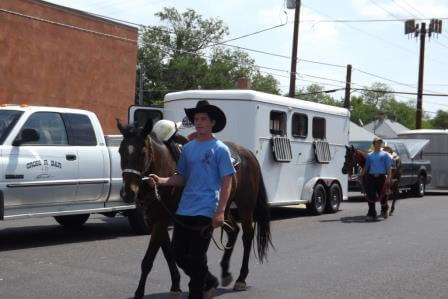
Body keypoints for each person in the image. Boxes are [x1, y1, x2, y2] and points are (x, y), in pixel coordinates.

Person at [148, 100, 236, 299]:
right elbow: (181, 178)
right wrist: (161, 180)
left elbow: (227, 182)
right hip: (184, 209)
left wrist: (221, 211)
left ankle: (196, 293)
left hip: (206, 210)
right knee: (179, 255)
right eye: (196, 119)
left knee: (196, 258)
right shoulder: (188, 149)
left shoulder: (220, 149)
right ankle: (209, 280)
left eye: (203, 119)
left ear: (213, 122)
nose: (199, 122)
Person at [361, 137, 394, 220]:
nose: (379, 144)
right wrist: (362, 175)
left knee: (382, 195)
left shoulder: (385, 154)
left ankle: (384, 210)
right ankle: (372, 214)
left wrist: (389, 177)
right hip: (371, 177)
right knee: (370, 195)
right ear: (374, 144)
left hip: (381, 177)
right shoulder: (370, 155)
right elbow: (366, 167)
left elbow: (388, 167)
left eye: (380, 143)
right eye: (377, 143)